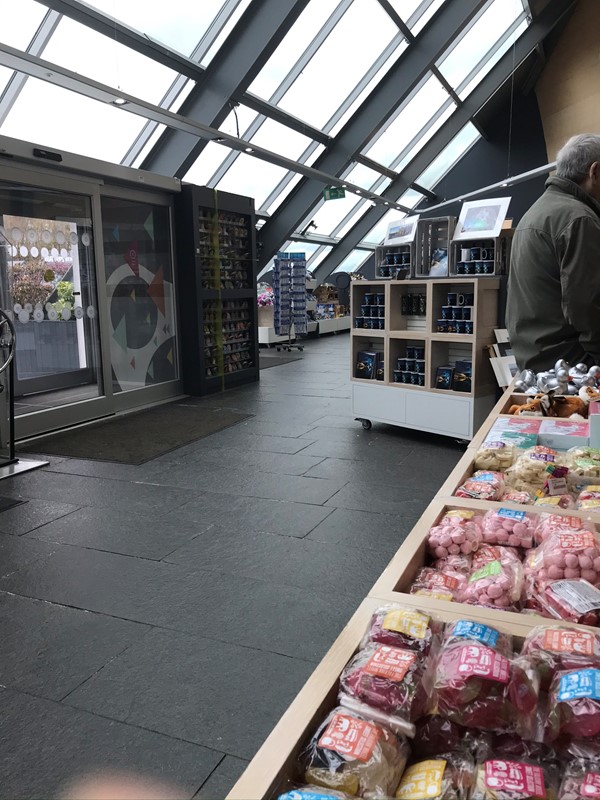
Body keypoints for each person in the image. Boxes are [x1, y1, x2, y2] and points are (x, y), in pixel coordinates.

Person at [506, 133, 600, 372]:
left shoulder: (536, 212)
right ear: (595, 172)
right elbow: (588, 305)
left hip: (535, 356)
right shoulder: (578, 219)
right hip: (571, 363)